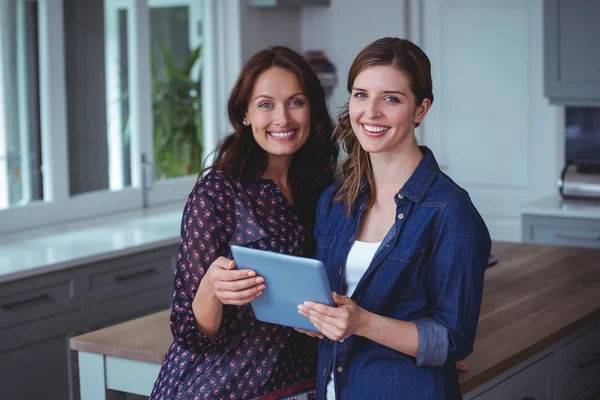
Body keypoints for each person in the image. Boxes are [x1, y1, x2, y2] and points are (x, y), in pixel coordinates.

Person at [297, 37, 492, 399]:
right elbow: (329, 302)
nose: (370, 112)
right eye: (360, 94)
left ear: (420, 109)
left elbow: (453, 340)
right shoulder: (335, 202)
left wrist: (363, 322)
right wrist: (316, 319)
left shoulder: (450, 211)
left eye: (391, 98)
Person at [150, 46, 338, 400]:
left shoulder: (325, 187)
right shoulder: (217, 193)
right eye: (266, 104)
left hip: (304, 381)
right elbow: (190, 333)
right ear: (245, 114)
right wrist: (211, 289)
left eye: (296, 102)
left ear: (312, 108)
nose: (282, 118)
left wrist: (415, 350)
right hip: (221, 386)